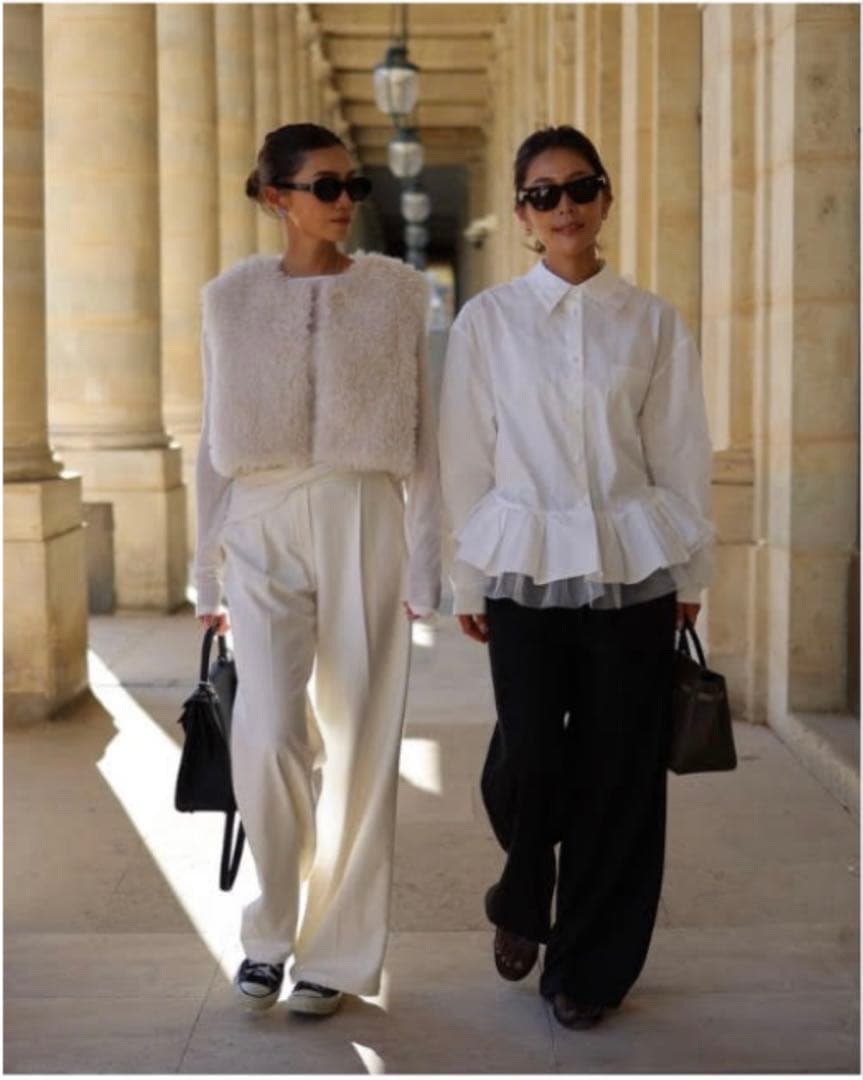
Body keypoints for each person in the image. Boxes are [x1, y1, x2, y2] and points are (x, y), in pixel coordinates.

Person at [438, 126, 713, 1030]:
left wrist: (690, 569)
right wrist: (467, 579)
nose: (564, 207)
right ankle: (525, 888)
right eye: (543, 193)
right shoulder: (486, 322)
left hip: (632, 565)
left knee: (621, 771)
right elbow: (464, 459)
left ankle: (588, 968)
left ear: (605, 197)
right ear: (520, 213)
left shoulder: (651, 320)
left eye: (579, 187)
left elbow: (679, 451)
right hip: (522, 562)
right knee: (527, 759)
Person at [195, 123, 441, 1017]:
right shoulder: (228, 300)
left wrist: (427, 560)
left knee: (364, 734)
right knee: (265, 730)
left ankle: (336, 955)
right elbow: (211, 437)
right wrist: (205, 570)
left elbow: (426, 436)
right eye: (325, 186)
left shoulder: (397, 294)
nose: (344, 202)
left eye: (352, 186)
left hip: (362, 509)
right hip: (260, 517)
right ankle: (269, 932)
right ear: (277, 197)